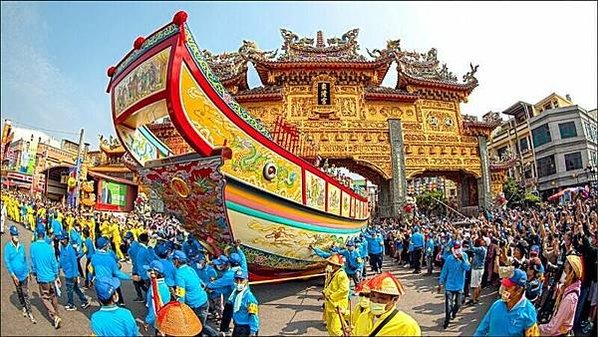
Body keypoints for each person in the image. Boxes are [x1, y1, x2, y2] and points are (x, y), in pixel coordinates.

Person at [473, 268, 539, 336]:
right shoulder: (497, 305)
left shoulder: (529, 312)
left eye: (508, 287)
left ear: (519, 290)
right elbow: (481, 329)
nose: (503, 289)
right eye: (504, 286)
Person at [356, 272, 421, 336]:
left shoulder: (407, 325)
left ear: (395, 299)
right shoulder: (363, 316)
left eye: (382, 298)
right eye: (372, 296)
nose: (375, 301)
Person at [173, 250, 217, 336]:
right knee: (201, 325)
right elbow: (201, 282)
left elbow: (181, 294)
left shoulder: (179, 274)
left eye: (173, 260)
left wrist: (180, 308)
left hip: (195, 305)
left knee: (196, 327)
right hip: (203, 300)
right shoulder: (190, 269)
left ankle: (216, 335)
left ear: (177, 261)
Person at [539, 255, 583, 336]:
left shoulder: (569, 298)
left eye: (566, 265)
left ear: (571, 272)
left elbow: (553, 328)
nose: (564, 266)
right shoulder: (567, 288)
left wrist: (538, 328)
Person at [30, 223, 62, 329]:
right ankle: (57, 313)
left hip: (42, 278)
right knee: (53, 296)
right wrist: (57, 276)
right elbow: (54, 263)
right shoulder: (49, 247)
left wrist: (34, 273)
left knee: (45, 298)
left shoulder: (33, 247)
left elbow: (33, 263)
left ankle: (55, 315)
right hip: (51, 277)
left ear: (36, 233)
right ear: (44, 234)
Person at [3, 225, 36, 323]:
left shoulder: (21, 246)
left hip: (24, 274)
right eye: (14, 235)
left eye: (17, 234)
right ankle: (23, 307)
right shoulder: (8, 248)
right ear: (11, 236)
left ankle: (30, 312)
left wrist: (28, 272)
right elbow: (7, 262)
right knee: (19, 292)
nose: (16, 237)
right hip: (15, 276)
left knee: (25, 293)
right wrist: (13, 275)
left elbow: (25, 260)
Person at [438, 240, 470, 329]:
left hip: (459, 286)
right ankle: (446, 320)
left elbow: (467, 268)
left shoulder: (464, 256)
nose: (457, 250)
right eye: (455, 248)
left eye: (458, 248)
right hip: (449, 285)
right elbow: (444, 271)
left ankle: (454, 313)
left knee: (458, 304)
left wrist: (462, 259)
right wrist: (440, 282)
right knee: (448, 306)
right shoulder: (449, 258)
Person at [90, 236, 130, 306]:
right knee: (111, 302)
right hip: (109, 282)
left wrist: (91, 278)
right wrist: (130, 277)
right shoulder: (110, 258)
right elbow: (117, 273)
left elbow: (92, 270)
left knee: (103, 303)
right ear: (105, 245)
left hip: (99, 283)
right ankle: (120, 304)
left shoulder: (93, 257)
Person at [57, 232, 90, 311]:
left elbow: (74, 263)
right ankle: (84, 300)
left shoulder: (71, 250)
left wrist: (75, 275)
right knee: (75, 288)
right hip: (67, 271)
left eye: (63, 239)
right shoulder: (62, 247)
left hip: (71, 273)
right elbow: (61, 258)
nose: (61, 241)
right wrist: (58, 266)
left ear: (67, 239)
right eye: (61, 239)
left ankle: (71, 304)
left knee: (69, 290)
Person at [321, 254, 350, 336]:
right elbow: (328, 286)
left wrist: (331, 296)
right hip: (329, 305)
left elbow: (344, 290)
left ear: (336, 266)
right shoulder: (331, 274)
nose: (329, 266)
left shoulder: (341, 275)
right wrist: (324, 293)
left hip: (337, 305)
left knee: (335, 329)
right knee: (329, 327)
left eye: (331, 264)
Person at [143, 260, 172, 334]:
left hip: (160, 320)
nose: (147, 272)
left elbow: (154, 309)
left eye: (149, 270)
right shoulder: (161, 285)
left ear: (155, 273)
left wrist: (147, 321)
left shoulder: (156, 289)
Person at [229, 270, 259, 337]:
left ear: (246, 281)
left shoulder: (250, 298)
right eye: (236, 280)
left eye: (241, 280)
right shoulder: (235, 293)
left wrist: (253, 331)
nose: (238, 283)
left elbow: (253, 315)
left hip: (246, 328)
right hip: (237, 325)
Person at [468, 238, 487, 305]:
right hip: (478, 268)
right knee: (478, 284)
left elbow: (471, 248)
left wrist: (470, 239)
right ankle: (475, 298)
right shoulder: (482, 249)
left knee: (476, 285)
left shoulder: (481, 249)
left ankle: (474, 300)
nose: (483, 241)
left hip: (477, 269)